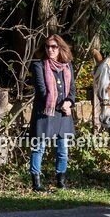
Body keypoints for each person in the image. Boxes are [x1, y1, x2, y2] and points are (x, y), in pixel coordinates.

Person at [29, 34, 77, 191]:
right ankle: (36, 183)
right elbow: (43, 92)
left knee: (63, 149)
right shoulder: (38, 66)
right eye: (48, 47)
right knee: (39, 148)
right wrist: (61, 105)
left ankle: (61, 182)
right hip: (45, 113)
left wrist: (69, 102)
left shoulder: (68, 66)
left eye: (54, 47)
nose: (50, 49)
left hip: (64, 114)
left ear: (60, 48)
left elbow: (72, 90)